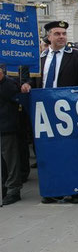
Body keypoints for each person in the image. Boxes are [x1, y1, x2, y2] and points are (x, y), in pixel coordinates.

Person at [26, 21, 78, 204]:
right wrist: (27, 85)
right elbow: (35, 82)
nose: (62, 37)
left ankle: (75, 190)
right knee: (48, 153)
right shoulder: (39, 59)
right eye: (57, 34)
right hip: (45, 114)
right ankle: (51, 190)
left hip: (69, 114)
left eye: (64, 33)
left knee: (71, 152)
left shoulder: (77, 57)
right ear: (49, 37)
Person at [0, 64, 22, 205]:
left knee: (10, 159)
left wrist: (2, 80)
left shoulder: (8, 82)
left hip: (6, 126)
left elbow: (13, 94)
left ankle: (13, 189)